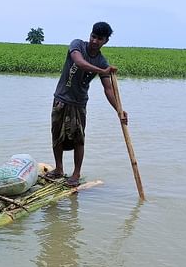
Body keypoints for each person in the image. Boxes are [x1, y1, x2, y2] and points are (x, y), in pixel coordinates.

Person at [48, 21, 127, 187]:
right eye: (93, 36)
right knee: (57, 136)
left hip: (79, 103)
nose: (94, 41)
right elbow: (79, 62)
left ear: (105, 41)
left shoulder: (101, 61)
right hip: (61, 98)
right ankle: (59, 169)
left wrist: (119, 110)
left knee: (78, 139)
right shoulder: (77, 45)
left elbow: (109, 90)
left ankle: (76, 174)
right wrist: (102, 71)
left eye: (99, 39)